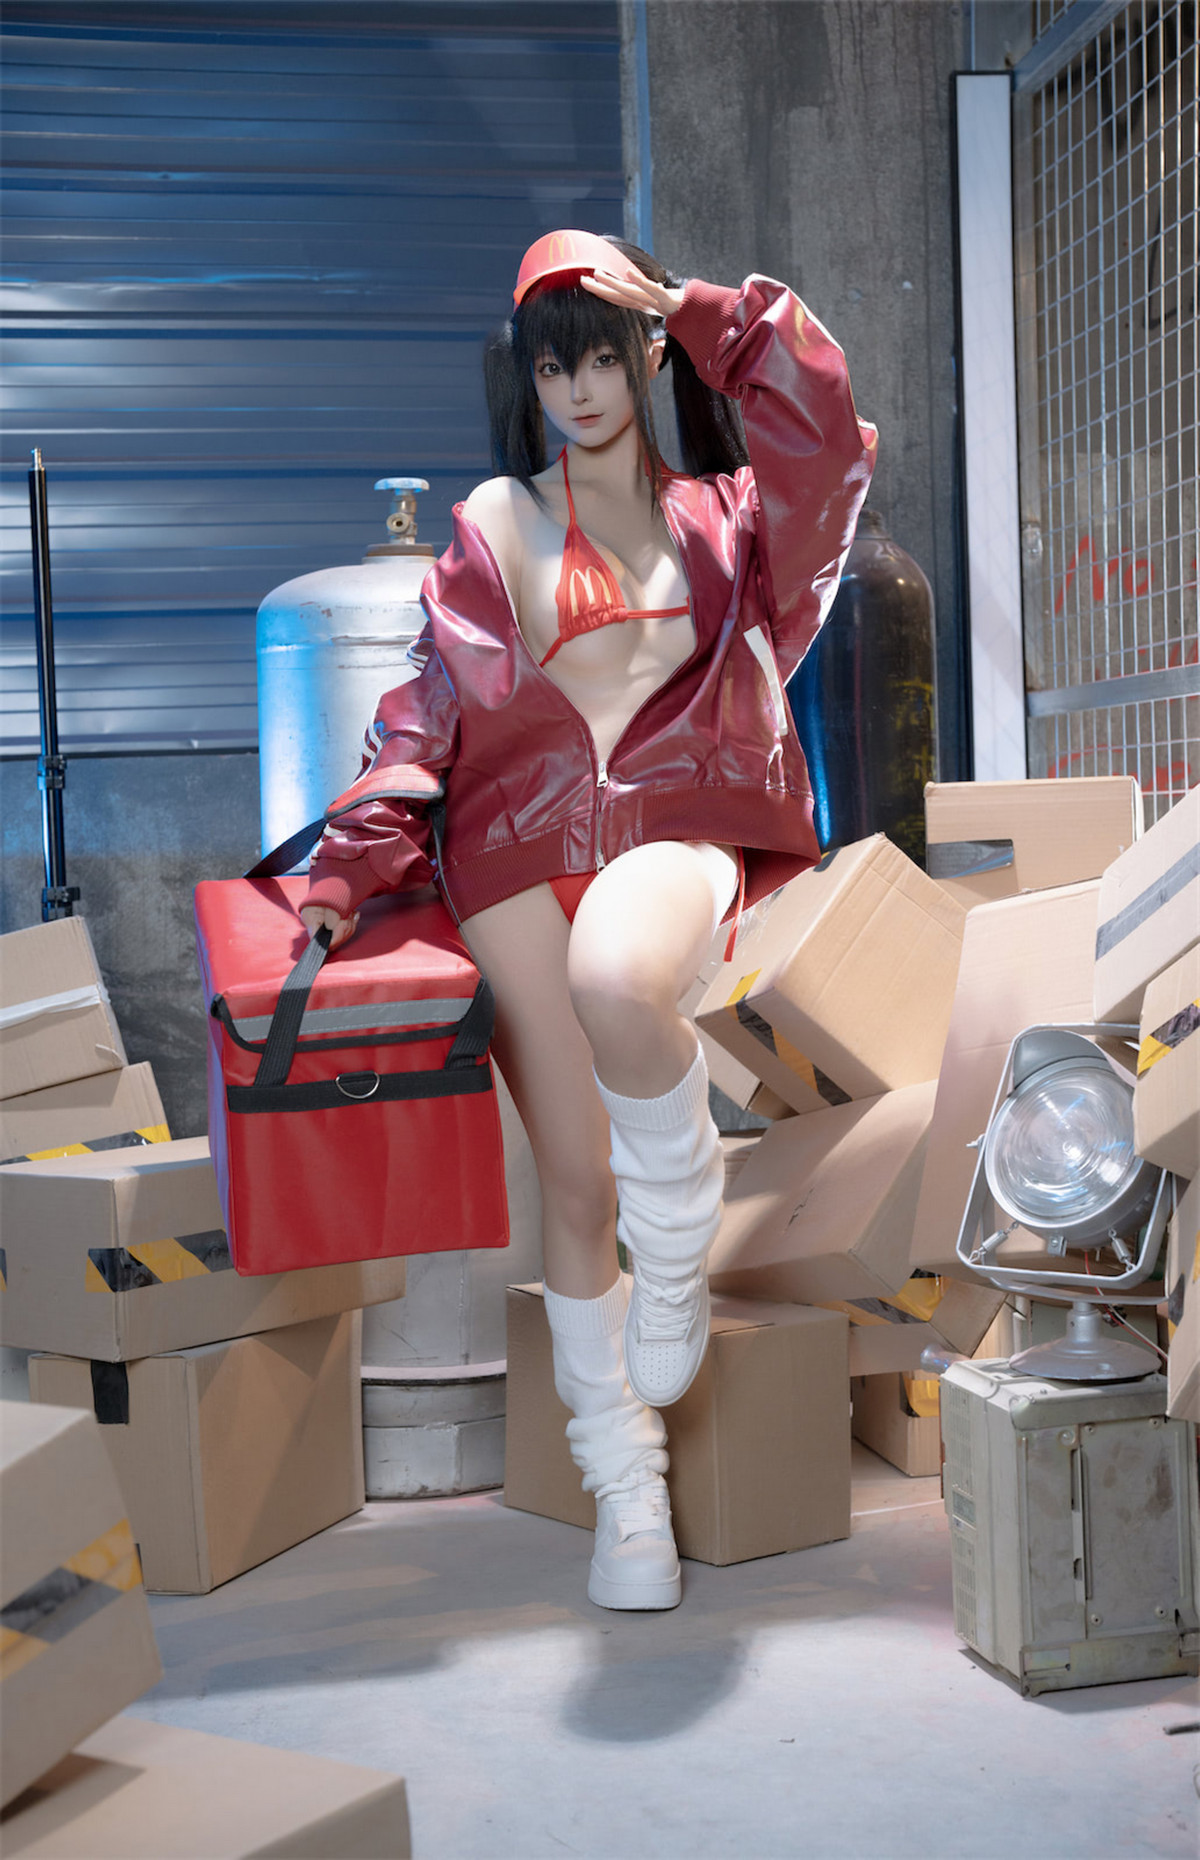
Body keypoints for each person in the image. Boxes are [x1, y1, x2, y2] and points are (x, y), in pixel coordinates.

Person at [301, 229, 876, 1612]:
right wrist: (344, 870)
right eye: (551, 364)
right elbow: (425, 711)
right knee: (570, 1183)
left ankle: (677, 1246)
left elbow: (826, 422)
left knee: (621, 974)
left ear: (646, 354)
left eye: (601, 355)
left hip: (683, 820)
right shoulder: (495, 524)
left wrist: (692, 303)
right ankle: (626, 1486)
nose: (576, 388)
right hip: (513, 843)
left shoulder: (734, 518)